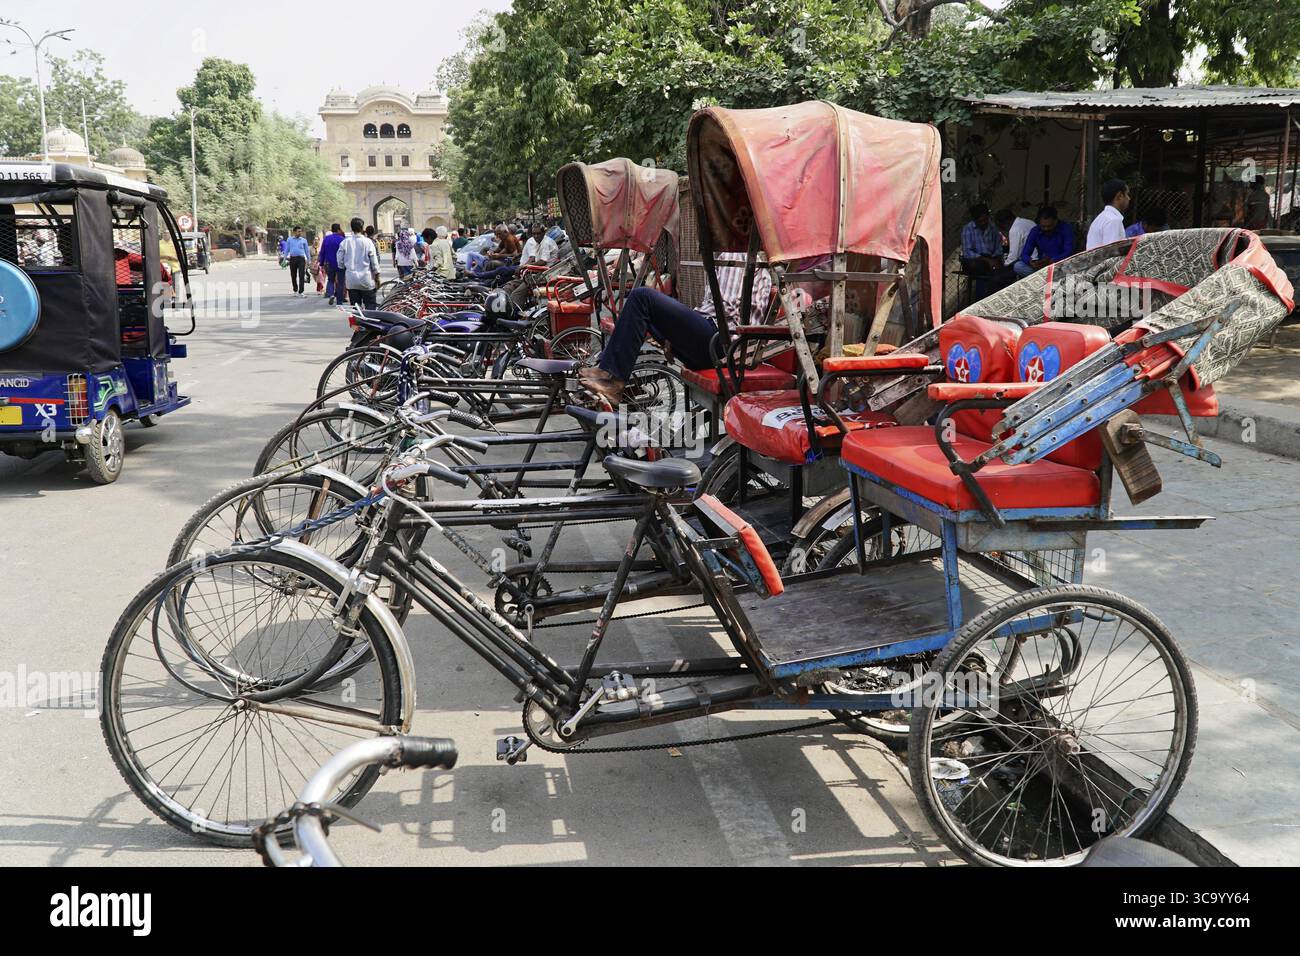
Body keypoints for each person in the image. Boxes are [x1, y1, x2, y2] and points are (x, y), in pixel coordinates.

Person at [577, 252, 773, 407]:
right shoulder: (729, 256)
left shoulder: (738, 255)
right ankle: (611, 373)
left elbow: (725, 308)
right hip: (715, 337)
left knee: (642, 297)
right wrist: (674, 332)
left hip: (723, 344)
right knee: (643, 309)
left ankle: (615, 380)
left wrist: (679, 325)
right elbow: (712, 305)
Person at [1015, 206, 1075, 277]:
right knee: (1018, 266)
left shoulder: (1066, 229)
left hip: (1060, 265)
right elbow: (1024, 253)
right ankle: (1045, 279)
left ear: (1056, 221)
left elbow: (1069, 252)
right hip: (1042, 267)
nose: (1046, 229)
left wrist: (1052, 260)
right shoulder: (1035, 230)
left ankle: (1045, 279)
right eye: (1043, 226)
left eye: (1049, 226)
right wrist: (1031, 262)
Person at [337, 216, 381, 309]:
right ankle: (369, 323)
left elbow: (339, 260)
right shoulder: (368, 242)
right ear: (362, 228)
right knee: (370, 306)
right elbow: (374, 262)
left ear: (352, 228)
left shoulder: (345, 242)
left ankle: (357, 323)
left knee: (356, 308)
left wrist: (345, 267)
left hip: (352, 281)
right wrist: (377, 277)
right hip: (366, 280)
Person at [1086, 179, 1129, 249]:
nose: (1129, 198)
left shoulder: (1101, 218)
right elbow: (1112, 253)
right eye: (1127, 194)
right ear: (1120, 196)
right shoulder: (1113, 220)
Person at [318, 223, 346, 304]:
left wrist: (321, 263)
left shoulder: (326, 239)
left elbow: (322, 251)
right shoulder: (342, 239)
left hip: (329, 263)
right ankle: (339, 300)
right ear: (338, 230)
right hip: (340, 263)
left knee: (331, 280)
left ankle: (330, 294)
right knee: (340, 281)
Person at [284, 226, 311, 296]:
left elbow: (307, 251)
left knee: (301, 275)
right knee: (293, 275)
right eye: (298, 231)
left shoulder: (303, 240)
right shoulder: (289, 239)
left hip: (301, 259)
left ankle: (301, 291)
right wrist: (284, 259)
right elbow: (287, 249)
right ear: (294, 232)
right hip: (292, 259)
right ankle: (295, 290)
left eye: (300, 231)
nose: (300, 233)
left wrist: (309, 260)